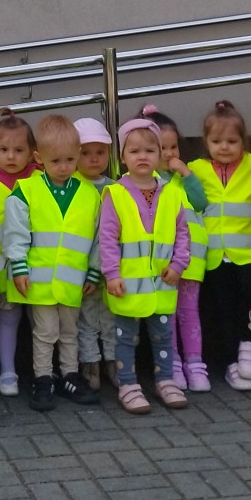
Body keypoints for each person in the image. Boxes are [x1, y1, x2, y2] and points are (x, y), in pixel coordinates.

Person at [2, 114, 101, 410]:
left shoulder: (89, 194)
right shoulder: (26, 191)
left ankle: (70, 375)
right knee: (45, 333)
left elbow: (97, 236)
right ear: (39, 158)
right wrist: (18, 266)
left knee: (70, 331)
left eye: (70, 159)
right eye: (56, 160)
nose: (64, 166)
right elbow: (15, 232)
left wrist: (94, 271)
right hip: (38, 281)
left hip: (73, 281)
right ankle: (43, 378)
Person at [98, 117, 190, 413]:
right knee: (126, 337)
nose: (142, 156)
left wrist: (179, 264)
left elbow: (182, 233)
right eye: (134, 151)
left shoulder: (172, 193)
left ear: (161, 154)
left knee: (163, 336)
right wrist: (111, 274)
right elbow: (107, 238)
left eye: (150, 150)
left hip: (163, 282)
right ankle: (127, 384)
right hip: (128, 283)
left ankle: (166, 380)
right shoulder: (116, 194)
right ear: (122, 157)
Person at [189, 101, 251, 391]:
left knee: (250, 304)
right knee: (222, 310)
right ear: (206, 142)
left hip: (247, 255)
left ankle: (249, 348)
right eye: (216, 141)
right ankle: (231, 363)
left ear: (243, 141)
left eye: (232, 141)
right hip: (214, 257)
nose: (224, 147)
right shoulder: (196, 169)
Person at [143, 105, 212, 392]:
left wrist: (187, 174)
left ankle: (195, 364)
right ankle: (171, 364)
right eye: (163, 148)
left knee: (189, 313)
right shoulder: (147, 183)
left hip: (191, 260)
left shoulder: (182, 180)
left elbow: (201, 203)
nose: (170, 154)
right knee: (167, 315)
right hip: (164, 263)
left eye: (174, 147)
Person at [0, 109, 36, 397]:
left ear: (33, 152)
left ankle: (43, 370)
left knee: (41, 322)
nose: (11, 156)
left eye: (19, 150)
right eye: (4, 150)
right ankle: (7, 372)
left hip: (40, 266)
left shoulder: (41, 178)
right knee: (9, 320)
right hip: (4, 270)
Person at [71, 117, 119, 389]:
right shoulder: (71, 185)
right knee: (86, 317)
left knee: (111, 315)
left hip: (111, 267)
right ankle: (90, 363)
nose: (93, 159)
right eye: (85, 153)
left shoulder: (116, 187)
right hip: (81, 267)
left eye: (100, 152)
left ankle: (114, 360)